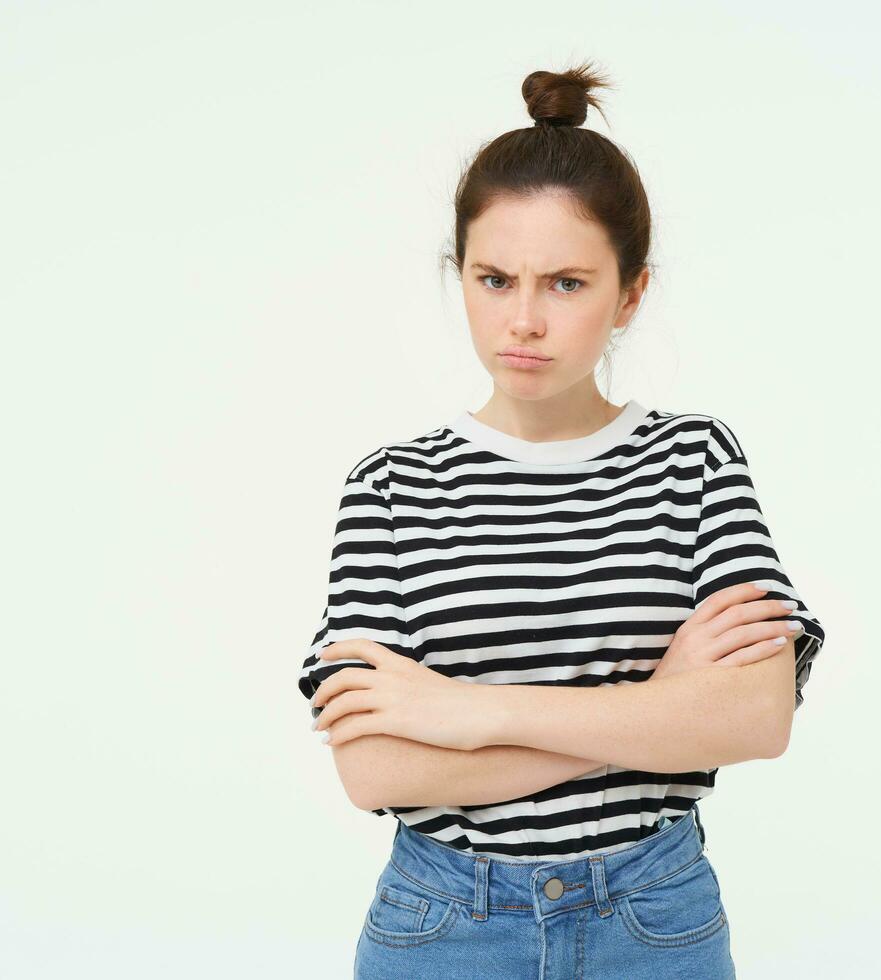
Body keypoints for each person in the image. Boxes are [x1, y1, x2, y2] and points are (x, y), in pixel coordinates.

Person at [298, 61, 826, 979]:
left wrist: (465, 714)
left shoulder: (693, 460)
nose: (525, 320)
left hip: (654, 916)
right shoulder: (389, 486)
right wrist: (659, 709)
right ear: (457, 276)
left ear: (631, 294)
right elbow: (376, 772)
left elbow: (755, 715)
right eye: (495, 279)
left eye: (568, 284)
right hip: (444, 925)